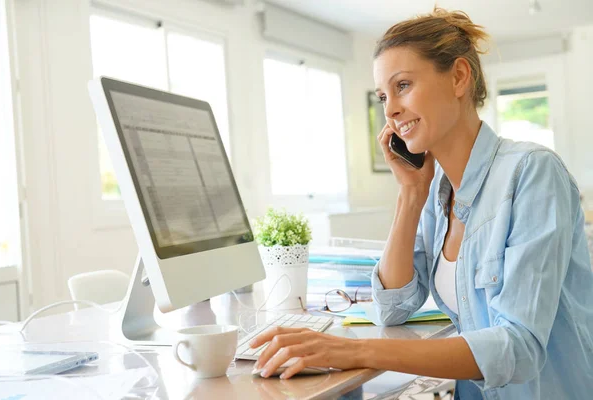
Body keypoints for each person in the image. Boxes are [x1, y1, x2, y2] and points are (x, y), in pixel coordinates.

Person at [249, 7, 593, 399]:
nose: (390, 110)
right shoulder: (436, 191)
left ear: (460, 77)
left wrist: (358, 350)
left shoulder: (532, 173)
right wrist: (411, 193)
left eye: (403, 86)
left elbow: (519, 347)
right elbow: (394, 306)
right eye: (383, 96)